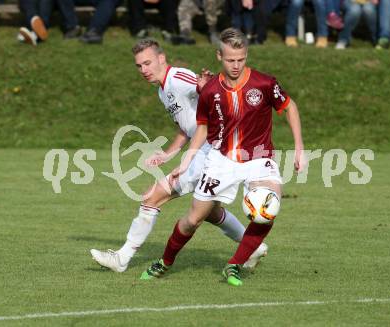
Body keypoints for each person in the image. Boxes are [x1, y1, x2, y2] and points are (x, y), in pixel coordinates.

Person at [140, 28, 304, 286]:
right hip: (221, 159)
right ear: (219, 56)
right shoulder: (210, 90)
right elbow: (202, 128)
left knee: (268, 208)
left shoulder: (264, 83)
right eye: (230, 59)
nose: (236, 65)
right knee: (193, 220)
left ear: (246, 54)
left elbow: (289, 106)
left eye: (241, 59)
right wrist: (185, 162)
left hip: (259, 158)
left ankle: (234, 265)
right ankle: (165, 262)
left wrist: (299, 148)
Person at [90, 38, 268, 273]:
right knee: (210, 212)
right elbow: (187, 127)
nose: (143, 70)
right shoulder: (162, 91)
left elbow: (210, 90)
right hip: (206, 150)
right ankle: (253, 247)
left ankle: (122, 258)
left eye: (147, 63)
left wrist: (203, 85)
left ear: (161, 59)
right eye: (139, 66)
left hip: (211, 151)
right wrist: (167, 154)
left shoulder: (177, 77)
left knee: (152, 197)